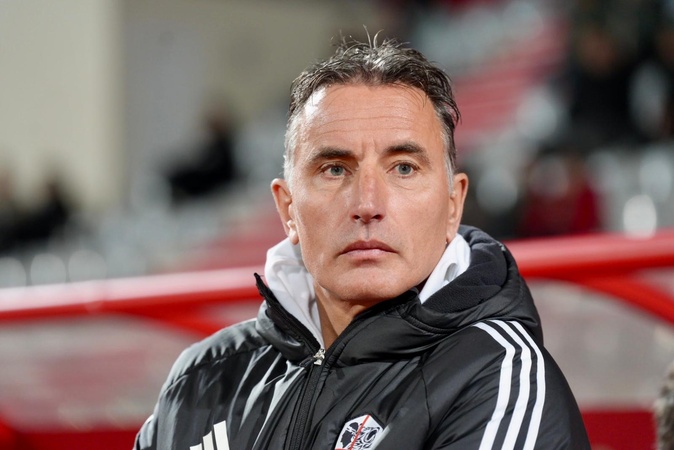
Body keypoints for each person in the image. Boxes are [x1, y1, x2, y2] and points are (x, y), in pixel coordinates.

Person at [135, 37, 590, 449]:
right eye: (335, 169)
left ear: (453, 205)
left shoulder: (499, 378)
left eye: (404, 168)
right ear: (288, 208)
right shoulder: (199, 379)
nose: (368, 204)